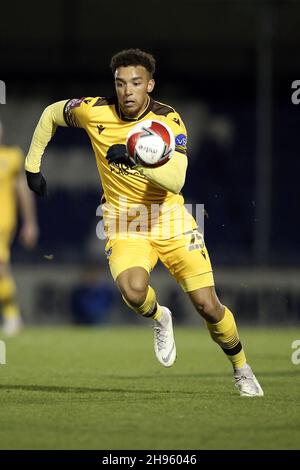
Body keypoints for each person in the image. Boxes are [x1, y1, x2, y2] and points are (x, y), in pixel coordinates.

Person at [24, 48, 263, 397]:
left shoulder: (168, 121)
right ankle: (159, 318)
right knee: (134, 293)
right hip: (124, 221)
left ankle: (242, 368)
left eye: (136, 83)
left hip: (170, 219)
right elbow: (50, 114)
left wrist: (137, 161)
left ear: (149, 84)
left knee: (207, 306)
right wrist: (33, 166)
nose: (127, 91)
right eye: (120, 83)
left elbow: (178, 179)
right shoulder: (94, 111)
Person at [0, 121, 39, 336]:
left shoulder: (11, 157)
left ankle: (12, 315)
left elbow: (23, 190)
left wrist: (30, 222)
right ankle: (12, 315)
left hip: (2, 222)